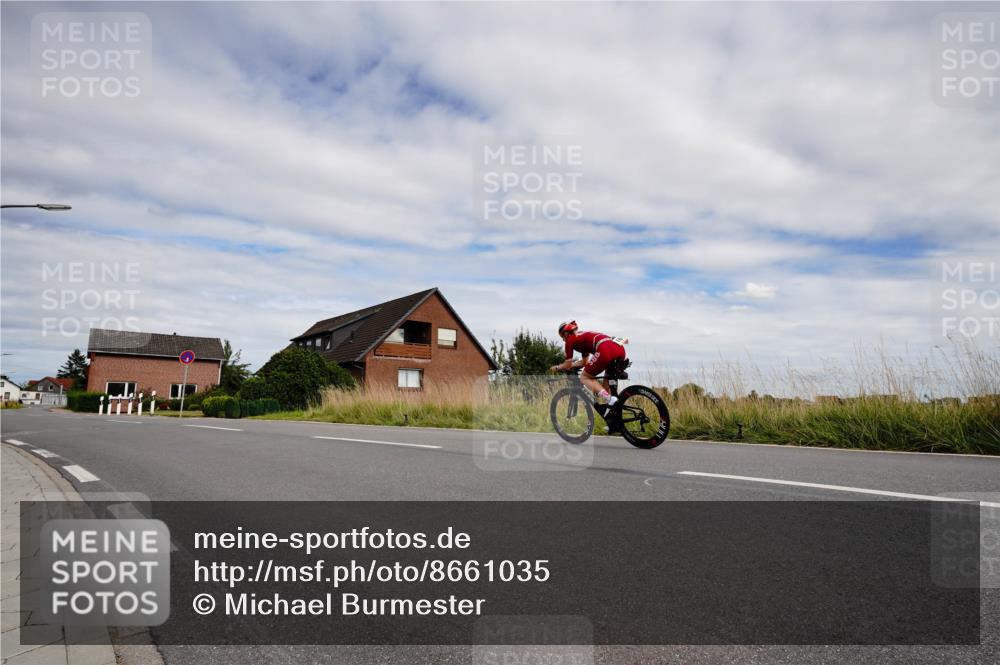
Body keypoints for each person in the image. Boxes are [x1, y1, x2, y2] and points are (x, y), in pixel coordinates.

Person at [550, 320, 628, 406]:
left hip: (605, 349)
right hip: (619, 348)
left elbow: (567, 365)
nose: (563, 339)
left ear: (566, 333)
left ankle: (609, 399)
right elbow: (584, 362)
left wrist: (557, 367)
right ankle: (614, 408)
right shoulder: (581, 337)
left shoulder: (570, 340)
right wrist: (572, 365)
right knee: (606, 388)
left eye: (562, 336)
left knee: (584, 377)